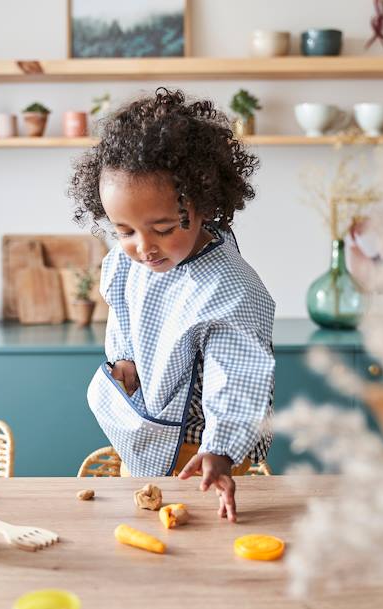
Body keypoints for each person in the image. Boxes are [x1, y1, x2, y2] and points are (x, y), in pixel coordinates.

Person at [70, 88, 275, 523]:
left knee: (194, 545)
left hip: (200, 453)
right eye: (124, 230)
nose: (143, 247)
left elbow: (237, 374)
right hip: (145, 434)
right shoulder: (129, 263)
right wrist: (123, 357)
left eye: (162, 228)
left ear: (202, 204)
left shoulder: (228, 286)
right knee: (142, 534)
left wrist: (220, 450)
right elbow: (122, 309)